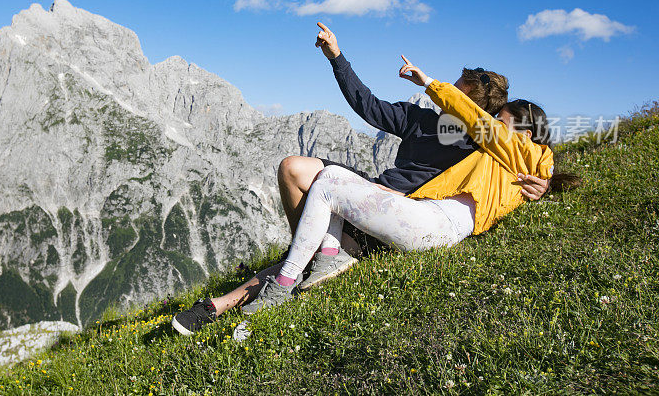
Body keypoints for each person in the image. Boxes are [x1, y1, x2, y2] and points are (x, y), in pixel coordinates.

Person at [171, 25, 549, 335]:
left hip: (394, 210)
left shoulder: (480, 146)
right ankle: (313, 251)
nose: (447, 93)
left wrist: (543, 185)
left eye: (457, 89)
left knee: (322, 201)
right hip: (371, 190)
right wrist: (336, 57)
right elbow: (366, 105)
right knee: (292, 168)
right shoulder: (419, 119)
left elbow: (524, 161)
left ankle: (222, 303)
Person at [236, 54, 554, 313]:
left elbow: (485, 129)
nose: (494, 128)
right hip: (408, 209)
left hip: (425, 223)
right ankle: (317, 262)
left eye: (502, 124)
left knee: (330, 180)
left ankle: (290, 281)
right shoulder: (481, 150)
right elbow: (370, 106)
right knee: (315, 175)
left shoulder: (499, 147)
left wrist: (429, 82)